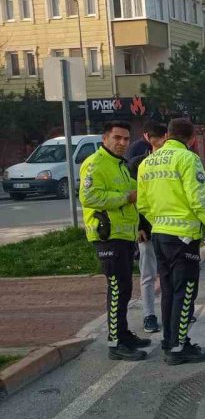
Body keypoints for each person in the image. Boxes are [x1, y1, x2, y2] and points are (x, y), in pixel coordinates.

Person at [138, 118, 205, 365]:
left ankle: (169, 340)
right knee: (185, 292)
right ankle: (179, 347)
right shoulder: (188, 159)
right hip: (183, 237)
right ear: (192, 138)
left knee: (168, 291)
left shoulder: (147, 163)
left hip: (160, 235)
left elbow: (142, 204)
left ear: (167, 135)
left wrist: (159, 222)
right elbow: (199, 198)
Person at [79, 121, 153, 361]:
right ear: (105, 139)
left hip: (123, 236)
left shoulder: (120, 165)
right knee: (116, 289)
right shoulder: (95, 164)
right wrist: (125, 197)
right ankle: (115, 343)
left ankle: (122, 333)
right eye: (117, 138)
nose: (122, 143)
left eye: (125, 139)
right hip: (107, 236)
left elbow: (136, 192)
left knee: (124, 288)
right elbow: (89, 196)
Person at [127, 121, 168, 334]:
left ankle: (174, 312)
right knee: (148, 275)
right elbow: (136, 198)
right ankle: (149, 315)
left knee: (169, 274)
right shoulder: (137, 164)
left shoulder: (173, 162)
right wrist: (138, 227)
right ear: (148, 139)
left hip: (170, 228)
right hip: (148, 230)